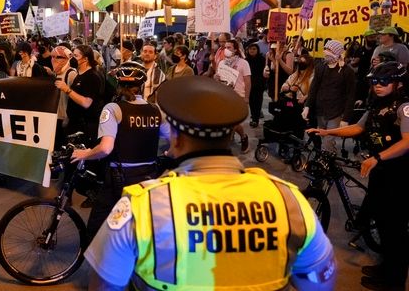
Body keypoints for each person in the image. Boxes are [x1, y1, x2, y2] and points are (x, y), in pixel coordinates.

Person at [85, 76, 336, 290]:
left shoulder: (141, 207)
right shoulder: (289, 201)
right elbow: (320, 281)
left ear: (176, 138)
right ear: (230, 134)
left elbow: (104, 283)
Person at [307, 61, 408, 291]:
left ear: (399, 83)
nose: (378, 86)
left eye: (384, 81)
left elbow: (408, 142)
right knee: (382, 222)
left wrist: (378, 157)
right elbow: (357, 128)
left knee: (395, 230)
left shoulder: (404, 108)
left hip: (400, 174)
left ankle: (395, 281)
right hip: (380, 172)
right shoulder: (376, 106)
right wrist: (327, 131)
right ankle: (386, 268)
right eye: (374, 81)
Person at [71, 61, 166, 240]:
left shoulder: (113, 109)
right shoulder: (156, 111)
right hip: (149, 176)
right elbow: (173, 142)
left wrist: (85, 153)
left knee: (97, 225)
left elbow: (106, 148)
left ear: (118, 85)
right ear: (141, 86)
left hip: (119, 178)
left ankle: (99, 260)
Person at [303, 39, 356, 153]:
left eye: (329, 50)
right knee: (324, 139)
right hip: (320, 110)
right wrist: (307, 106)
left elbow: (351, 95)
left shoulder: (347, 71)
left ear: (337, 52)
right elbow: (314, 88)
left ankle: (329, 164)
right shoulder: (320, 67)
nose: (326, 52)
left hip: (336, 112)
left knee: (328, 140)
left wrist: (346, 118)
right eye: (325, 49)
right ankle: (329, 159)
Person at [56, 45, 105, 141]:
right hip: (76, 124)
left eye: (76, 56)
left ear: (85, 59)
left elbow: (86, 103)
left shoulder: (92, 76)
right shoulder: (80, 74)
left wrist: (67, 89)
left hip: (85, 127)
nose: (73, 59)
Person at [214, 39, 252, 153]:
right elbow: (218, 78)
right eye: (225, 47)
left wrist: (246, 97)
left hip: (238, 95)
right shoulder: (222, 63)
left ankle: (243, 137)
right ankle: (227, 140)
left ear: (235, 49)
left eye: (229, 47)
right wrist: (216, 77)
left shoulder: (243, 63)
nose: (226, 49)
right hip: (224, 95)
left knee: (233, 122)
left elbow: (248, 81)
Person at [245, 42, 266, 127]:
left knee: (257, 102)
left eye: (254, 49)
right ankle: (254, 117)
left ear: (257, 50)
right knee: (251, 102)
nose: (252, 50)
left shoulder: (262, 59)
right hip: (249, 84)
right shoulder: (246, 60)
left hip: (259, 84)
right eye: (250, 49)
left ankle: (255, 119)